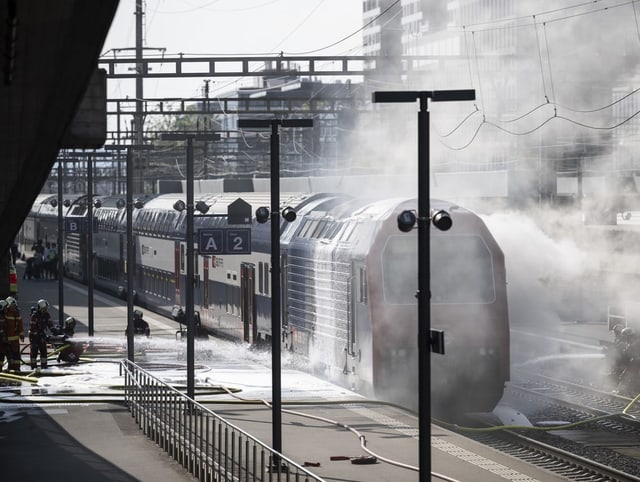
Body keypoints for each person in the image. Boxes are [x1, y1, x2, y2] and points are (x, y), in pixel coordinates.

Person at [29, 299, 54, 369]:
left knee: (43, 351)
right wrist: (38, 335)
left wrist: (54, 330)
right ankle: (33, 367)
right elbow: (32, 328)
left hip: (41, 335)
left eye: (46, 308)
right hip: (34, 336)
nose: (46, 310)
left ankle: (44, 366)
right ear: (40, 308)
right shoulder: (34, 316)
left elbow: (50, 324)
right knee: (34, 351)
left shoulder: (47, 315)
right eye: (44, 308)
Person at [4, 296, 24, 372]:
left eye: (14, 306)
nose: (13, 308)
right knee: (9, 355)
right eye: (12, 306)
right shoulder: (4, 313)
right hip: (7, 339)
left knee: (16, 354)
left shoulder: (16, 313)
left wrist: (21, 334)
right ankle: (10, 367)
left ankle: (17, 368)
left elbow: (20, 324)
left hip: (14, 339)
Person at [0, 300, 8, 371]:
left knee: (2, 354)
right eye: (5, 307)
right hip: (1, 339)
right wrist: (4, 337)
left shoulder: (3, 316)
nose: (7, 309)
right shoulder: (1, 316)